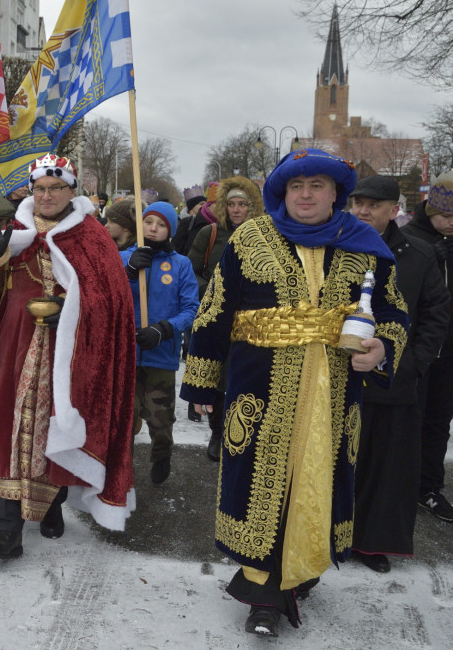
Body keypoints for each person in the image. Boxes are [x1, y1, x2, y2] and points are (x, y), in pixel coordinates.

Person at [180, 148, 408, 637]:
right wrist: (202, 381)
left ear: (335, 194)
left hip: (334, 391)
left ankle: (299, 569)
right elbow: (215, 311)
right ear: (282, 192)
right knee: (259, 482)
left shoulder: (365, 244)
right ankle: (262, 591)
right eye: (296, 186)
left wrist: (382, 348)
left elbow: (393, 312)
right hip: (258, 388)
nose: (305, 195)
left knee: (316, 478)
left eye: (317, 186)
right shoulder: (251, 238)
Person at [0, 154, 137, 559]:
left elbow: (109, 304)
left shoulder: (93, 239)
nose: (46, 196)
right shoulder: (17, 230)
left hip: (70, 353)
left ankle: (52, 505)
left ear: (70, 190)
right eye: (39, 189)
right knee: (8, 427)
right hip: (14, 344)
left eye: (55, 188)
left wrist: (73, 310)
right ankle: (7, 530)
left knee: (55, 426)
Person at [347, 176, 449, 572]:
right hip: (343, 374)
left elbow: (435, 318)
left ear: (395, 209)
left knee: (387, 466)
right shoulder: (337, 246)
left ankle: (373, 543)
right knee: (340, 461)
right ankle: (330, 533)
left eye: (373, 204)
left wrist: (411, 365)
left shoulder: (420, 255)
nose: (363, 211)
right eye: (358, 202)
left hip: (396, 380)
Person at [185, 175, 264, 460]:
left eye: (243, 204)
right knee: (215, 378)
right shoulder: (211, 234)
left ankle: (245, 431)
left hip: (251, 320)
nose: (236, 209)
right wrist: (215, 293)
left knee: (245, 375)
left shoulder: (265, 237)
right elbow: (190, 272)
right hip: (216, 318)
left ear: (253, 207)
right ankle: (218, 432)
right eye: (231, 204)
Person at [122, 201, 200, 485]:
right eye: (148, 222)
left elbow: (191, 308)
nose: (153, 228)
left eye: (161, 224)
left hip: (161, 355)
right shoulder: (122, 258)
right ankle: (122, 472)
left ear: (170, 230)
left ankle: (162, 452)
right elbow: (104, 295)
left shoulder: (180, 265)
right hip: (126, 356)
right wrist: (127, 271)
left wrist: (165, 329)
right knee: (124, 421)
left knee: (160, 420)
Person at [402, 169, 453, 523]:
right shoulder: (407, 239)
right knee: (406, 420)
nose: (452, 223)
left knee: (438, 421)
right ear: (430, 207)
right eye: (448, 215)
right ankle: (398, 485)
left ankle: (429, 487)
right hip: (413, 349)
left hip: (448, 352)